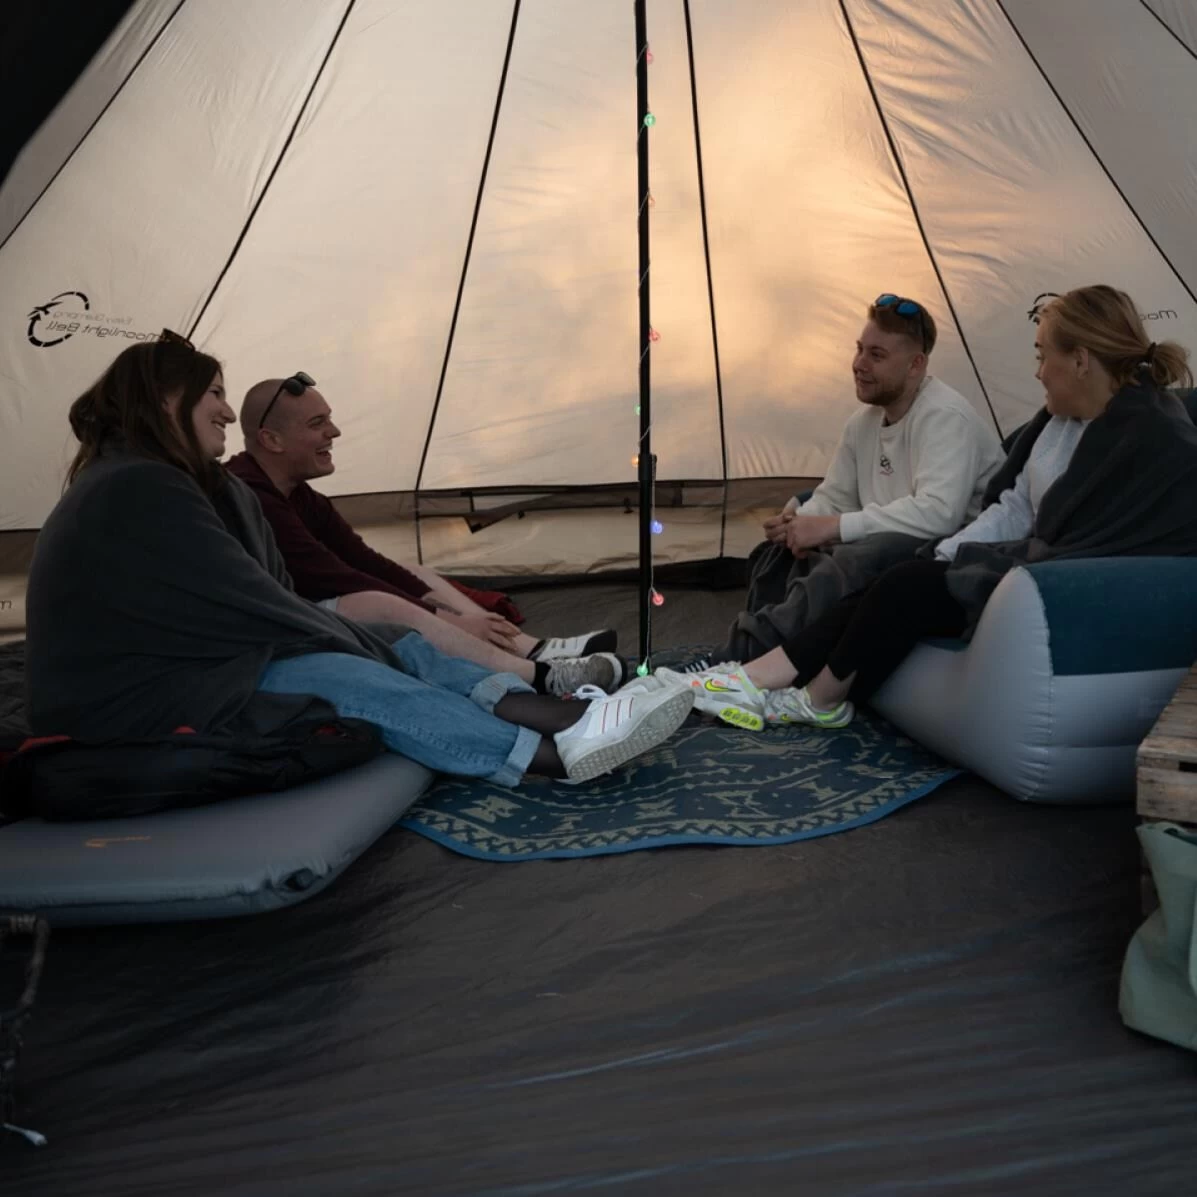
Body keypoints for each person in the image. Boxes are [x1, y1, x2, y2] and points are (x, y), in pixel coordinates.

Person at [24, 337, 694, 801]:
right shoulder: (138, 485)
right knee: (346, 674)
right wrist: (359, 646)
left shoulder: (166, 479)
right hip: (130, 704)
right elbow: (256, 597)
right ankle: (549, 756)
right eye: (215, 394)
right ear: (168, 399)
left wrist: (379, 637)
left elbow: (279, 583)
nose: (226, 410)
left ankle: (557, 714)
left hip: (191, 666)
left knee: (391, 639)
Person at [663, 285, 1197, 730]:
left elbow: (1128, 535)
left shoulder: (1153, 437)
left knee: (897, 578)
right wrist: (945, 552)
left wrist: (947, 552)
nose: (1037, 372)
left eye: (1042, 356)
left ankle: (806, 694)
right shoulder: (1060, 423)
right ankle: (754, 677)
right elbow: (1013, 506)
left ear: (1079, 361)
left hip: (1062, 580)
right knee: (899, 574)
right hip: (1023, 557)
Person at [224, 375, 622, 697]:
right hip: (271, 630)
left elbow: (364, 560)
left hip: (306, 605)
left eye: (329, 419)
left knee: (413, 572)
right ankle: (540, 677)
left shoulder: (299, 494)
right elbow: (333, 576)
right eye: (317, 424)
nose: (335, 431)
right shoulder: (249, 495)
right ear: (272, 440)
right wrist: (449, 621)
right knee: (379, 602)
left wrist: (457, 617)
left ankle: (532, 648)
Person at [718, 293, 1004, 664]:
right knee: (777, 552)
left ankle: (742, 660)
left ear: (915, 365)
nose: (858, 364)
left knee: (859, 557)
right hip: (884, 543)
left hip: (947, 560)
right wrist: (799, 523)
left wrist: (833, 527)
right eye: (859, 350)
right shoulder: (863, 423)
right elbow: (836, 495)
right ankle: (759, 659)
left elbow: (939, 514)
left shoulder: (946, 418)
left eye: (876, 355)